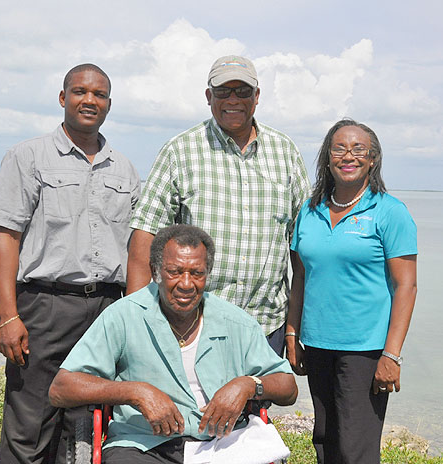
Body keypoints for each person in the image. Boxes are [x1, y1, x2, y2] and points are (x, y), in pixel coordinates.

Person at [0, 63, 140, 464]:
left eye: (99, 94)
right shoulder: (28, 156)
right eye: (80, 92)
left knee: (89, 426)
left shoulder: (123, 168)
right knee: (30, 422)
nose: (90, 100)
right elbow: (6, 238)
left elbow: (138, 247)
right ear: (62, 98)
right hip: (46, 306)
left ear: (108, 104)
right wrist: (7, 316)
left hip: (108, 307)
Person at [49, 224, 298, 463]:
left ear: (207, 275)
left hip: (223, 444)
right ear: (155, 271)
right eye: (175, 272)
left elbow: (287, 387)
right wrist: (136, 392)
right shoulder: (124, 316)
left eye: (197, 273)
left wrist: (247, 385)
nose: (186, 284)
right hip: (143, 445)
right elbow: (61, 388)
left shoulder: (235, 322)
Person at [126, 55, 310, 355]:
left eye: (243, 91)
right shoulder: (180, 151)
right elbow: (143, 242)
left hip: (266, 327)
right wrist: (135, 325)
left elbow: (302, 248)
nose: (233, 99)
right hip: (191, 324)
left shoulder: (285, 151)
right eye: (224, 91)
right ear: (209, 96)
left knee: (257, 402)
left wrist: (293, 327)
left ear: (257, 96)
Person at [285, 119, 418, 464]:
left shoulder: (390, 212)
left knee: (356, 447)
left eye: (359, 148)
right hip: (316, 345)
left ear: (373, 159)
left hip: (366, 350)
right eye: (339, 147)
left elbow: (406, 286)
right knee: (326, 440)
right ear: (327, 158)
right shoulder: (309, 211)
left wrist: (392, 355)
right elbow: (299, 277)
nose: (349, 155)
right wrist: (292, 332)